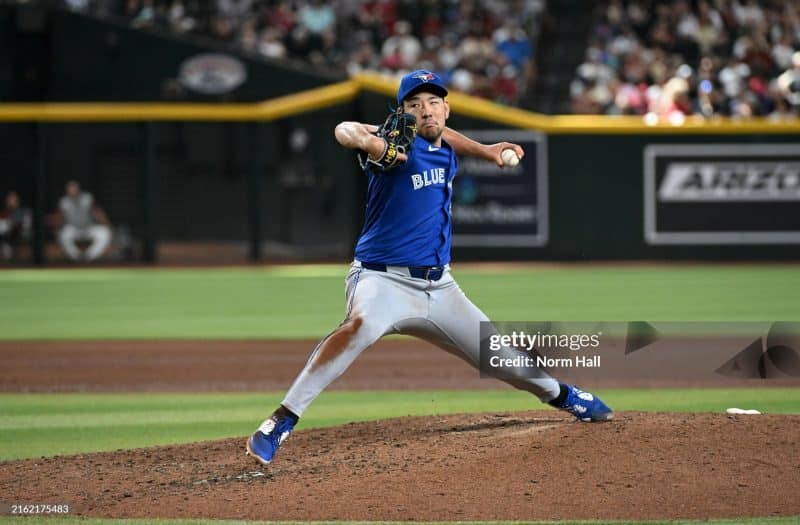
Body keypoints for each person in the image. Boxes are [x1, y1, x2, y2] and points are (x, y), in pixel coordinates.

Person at [246, 70, 613, 466]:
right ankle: (280, 421)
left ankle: (562, 395)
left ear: (446, 108)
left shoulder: (446, 143)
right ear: (401, 113)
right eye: (414, 104)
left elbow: (446, 138)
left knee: (501, 357)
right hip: (381, 279)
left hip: (441, 290)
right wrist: (374, 143)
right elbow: (344, 130)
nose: (425, 110)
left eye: (433, 102)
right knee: (359, 327)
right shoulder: (391, 145)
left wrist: (488, 150)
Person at [55, 180, 112, 261]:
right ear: (67, 191)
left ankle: (89, 256)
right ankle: (77, 257)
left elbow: (97, 212)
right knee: (63, 234)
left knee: (105, 233)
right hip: (74, 229)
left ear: (78, 189)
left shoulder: (87, 198)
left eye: (74, 189)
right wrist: (57, 229)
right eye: (70, 189)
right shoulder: (64, 202)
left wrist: (106, 223)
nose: (73, 191)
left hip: (89, 228)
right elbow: (60, 218)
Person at [0, 191, 31, 260]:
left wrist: (14, 225)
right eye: (9, 200)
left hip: (21, 237)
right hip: (6, 239)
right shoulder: (4, 213)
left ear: (17, 200)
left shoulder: (24, 211)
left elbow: (26, 227)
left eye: (13, 199)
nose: (10, 202)